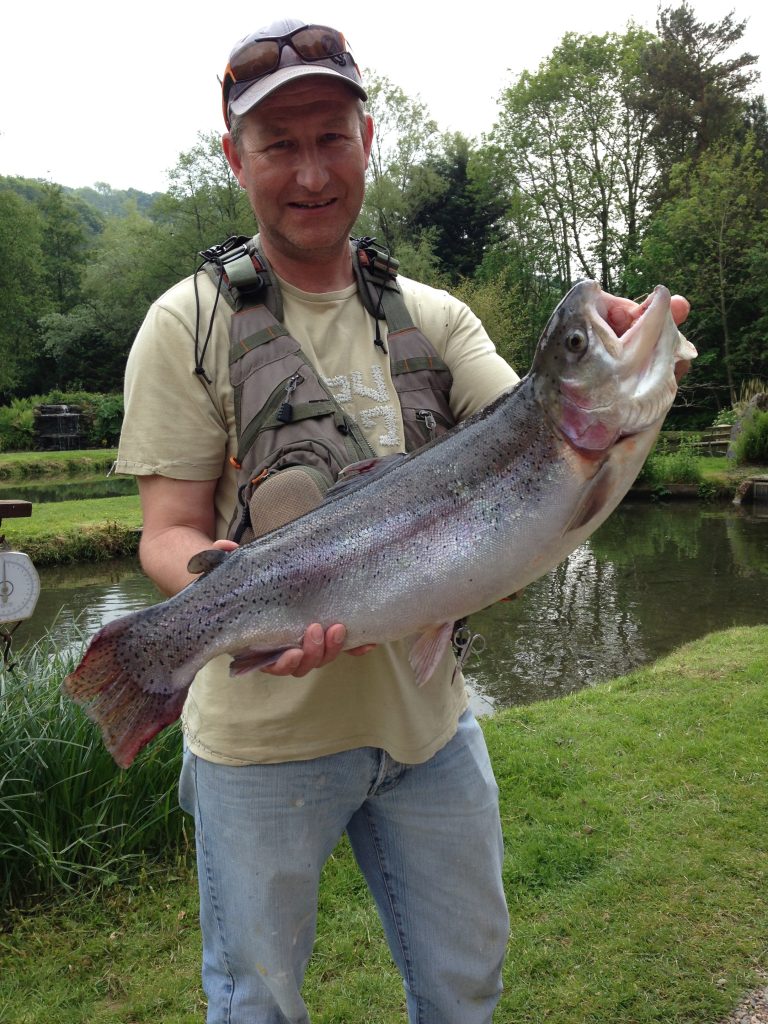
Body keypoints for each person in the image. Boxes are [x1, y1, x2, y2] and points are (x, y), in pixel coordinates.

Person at [116, 19, 690, 1024]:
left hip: (429, 733)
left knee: (465, 989)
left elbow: (522, 444)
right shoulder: (185, 324)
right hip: (260, 750)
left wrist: (639, 380)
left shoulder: (437, 317)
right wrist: (233, 593)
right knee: (257, 1003)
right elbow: (163, 529)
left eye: (331, 137)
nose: (309, 171)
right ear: (234, 158)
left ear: (368, 141)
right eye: (278, 145)